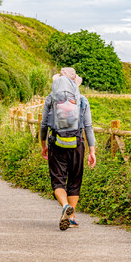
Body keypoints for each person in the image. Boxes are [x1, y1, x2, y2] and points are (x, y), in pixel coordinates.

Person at [40, 67, 96, 230]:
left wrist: (43, 145)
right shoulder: (83, 100)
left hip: (56, 142)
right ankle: (71, 217)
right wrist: (92, 150)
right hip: (77, 144)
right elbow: (88, 126)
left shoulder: (51, 99)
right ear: (75, 82)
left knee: (58, 180)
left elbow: (44, 124)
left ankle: (65, 206)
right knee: (74, 180)